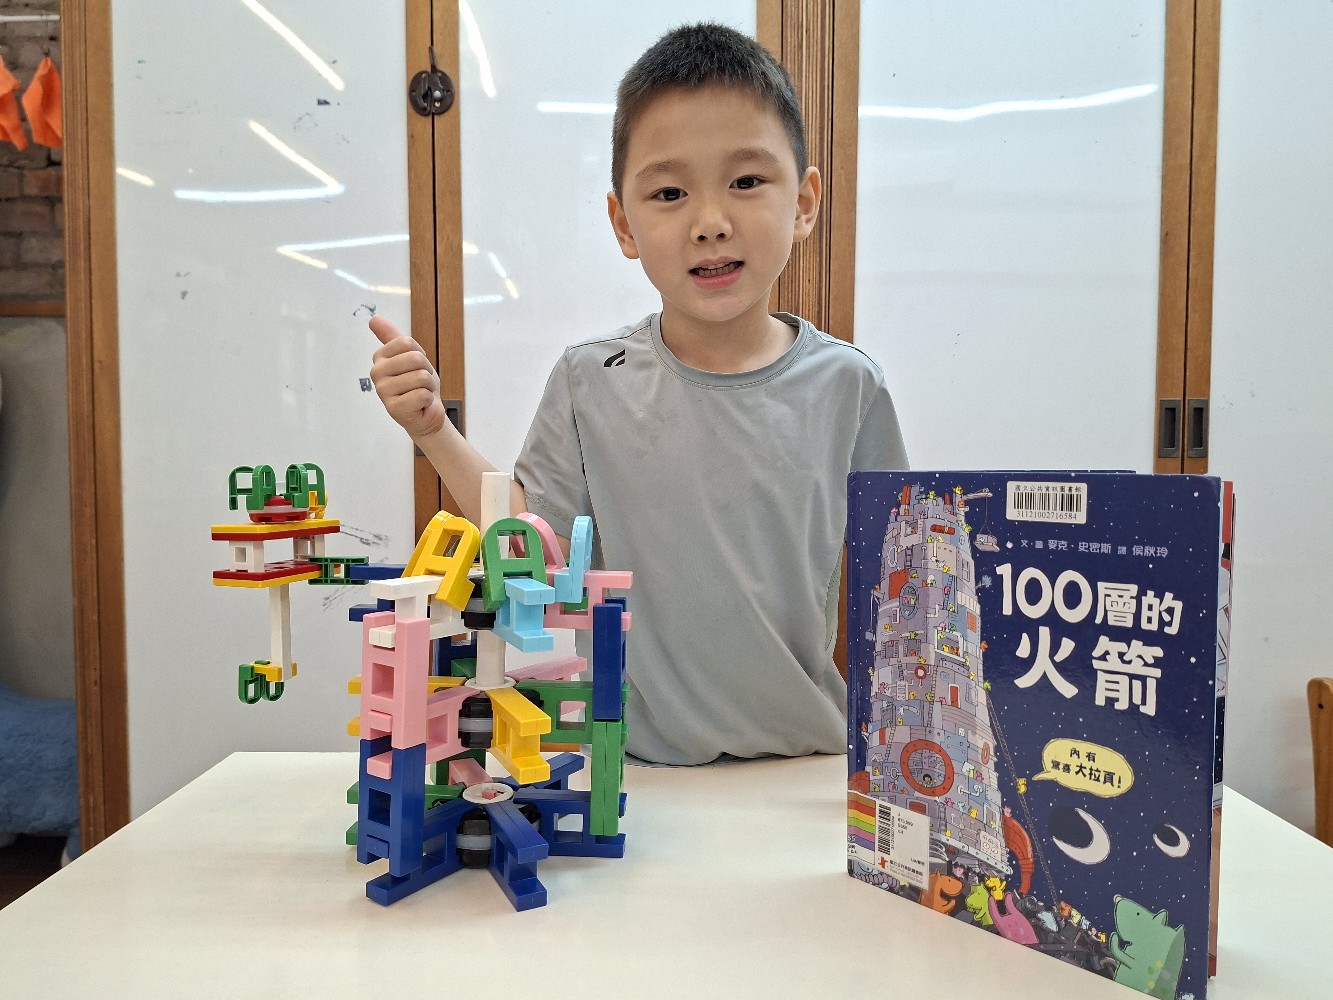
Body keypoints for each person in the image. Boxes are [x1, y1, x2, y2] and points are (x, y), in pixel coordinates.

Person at [368, 22, 908, 765]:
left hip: (805, 766)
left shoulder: (849, 387)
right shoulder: (589, 382)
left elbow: (903, 593)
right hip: (631, 774)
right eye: (669, 192)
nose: (710, 223)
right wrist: (433, 430)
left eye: (746, 182)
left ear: (805, 201)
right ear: (623, 223)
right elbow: (526, 546)